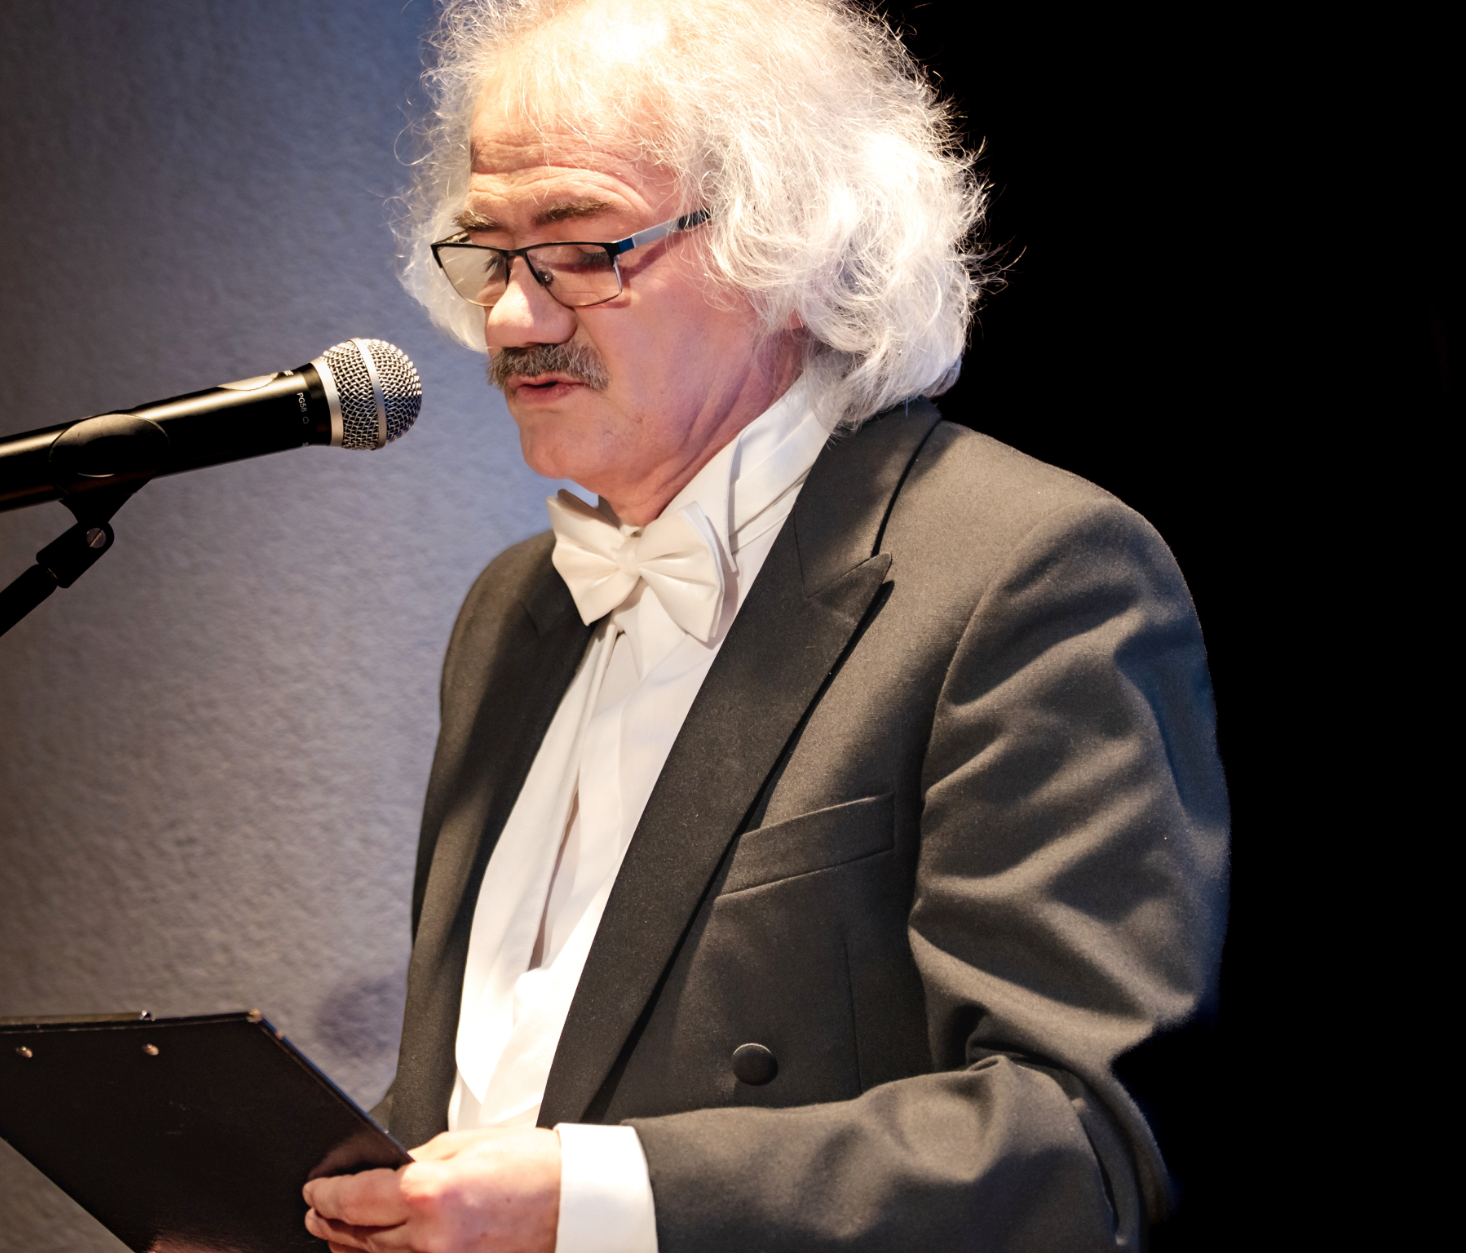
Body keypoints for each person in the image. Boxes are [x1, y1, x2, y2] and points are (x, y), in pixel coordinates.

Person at [303, 1, 1228, 1249]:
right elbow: (504, 1091)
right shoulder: (513, 609)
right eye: (491, 253)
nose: (512, 319)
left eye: (580, 248)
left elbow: (1077, 1146)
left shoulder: (1028, 572)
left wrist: (588, 1203)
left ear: (791, 249)